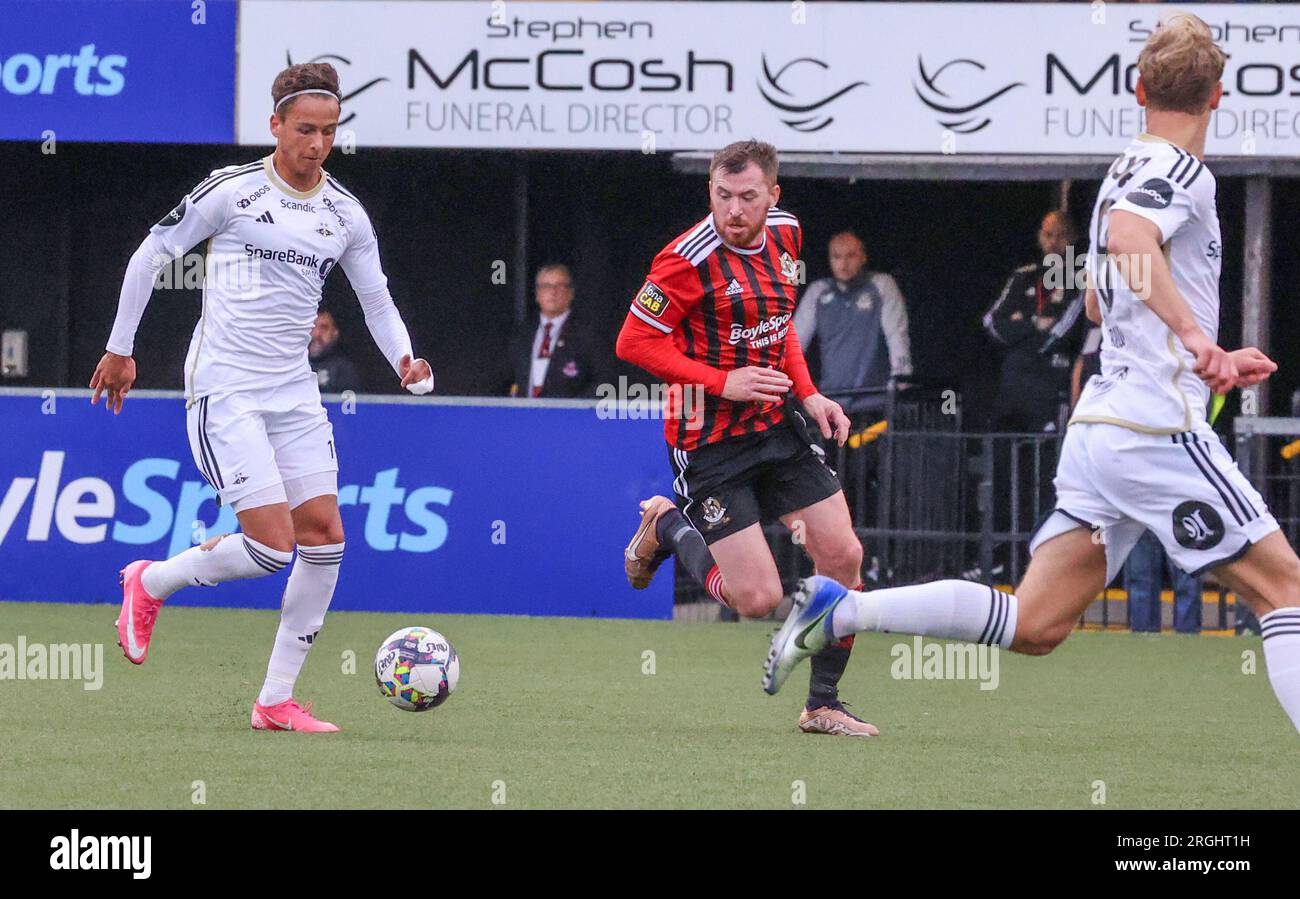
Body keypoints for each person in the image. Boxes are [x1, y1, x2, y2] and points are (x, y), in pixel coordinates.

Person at [763, 15, 1300, 735]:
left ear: (1138, 89)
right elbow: (1127, 241)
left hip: (1104, 426)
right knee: (1286, 589)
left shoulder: (1119, 174)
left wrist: (1194, 346)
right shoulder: (1178, 171)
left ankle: (846, 607)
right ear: (1220, 96)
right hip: (1153, 425)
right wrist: (1199, 339)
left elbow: (1095, 294)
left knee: (1037, 621)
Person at [89, 62, 434, 733]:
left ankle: (275, 700)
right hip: (227, 387)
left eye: (329, 131)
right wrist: (120, 346)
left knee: (327, 537)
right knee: (274, 547)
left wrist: (404, 356)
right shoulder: (232, 192)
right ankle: (151, 582)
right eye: (305, 128)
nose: (317, 144)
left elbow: (376, 298)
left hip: (293, 390)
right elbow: (152, 254)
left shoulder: (344, 214)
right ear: (275, 124)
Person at [616, 139, 875, 737]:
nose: (733, 210)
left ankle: (823, 704)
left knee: (844, 555)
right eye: (722, 195)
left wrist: (808, 394)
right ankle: (669, 525)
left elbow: (780, 326)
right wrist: (721, 381)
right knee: (756, 598)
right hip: (709, 442)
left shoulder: (787, 234)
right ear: (710, 190)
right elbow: (632, 343)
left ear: (773, 197)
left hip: (776, 426)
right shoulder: (684, 261)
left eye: (748, 197)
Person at [983, 210, 1087, 433]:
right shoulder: (1024, 276)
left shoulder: (1082, 278)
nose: (1053, 242)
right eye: (1048, 234)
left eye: (1061, 236)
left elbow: (1063, 333)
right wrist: (1033, 324)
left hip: (1053, 379)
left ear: (1074, 238)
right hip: (1014, 380)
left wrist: (1019, 327)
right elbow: (992, 323)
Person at [793, 231, 912, 416]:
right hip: (831, 400)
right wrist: (787, 381)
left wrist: (901, 379)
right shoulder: (818, 292)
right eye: (837, 256)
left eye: (851, 256)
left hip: (875, 400)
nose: (843, 263)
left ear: (863, 257)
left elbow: (897, 335)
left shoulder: (881, 285)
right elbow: (795, 344)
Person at [507, 264, 604, 398]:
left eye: (559, 286)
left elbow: (602, 381)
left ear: (571, 294)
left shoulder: (588, 335)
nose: (553, 292)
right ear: (537, 294)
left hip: (567, 416)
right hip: (523, 415)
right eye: (546, 286)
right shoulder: (522, 334)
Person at [309, 310, 361, 394]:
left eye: (324, 328)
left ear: (335, 333)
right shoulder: (292, 365)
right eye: (312, 328)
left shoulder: (344, 370)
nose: (316, 334)